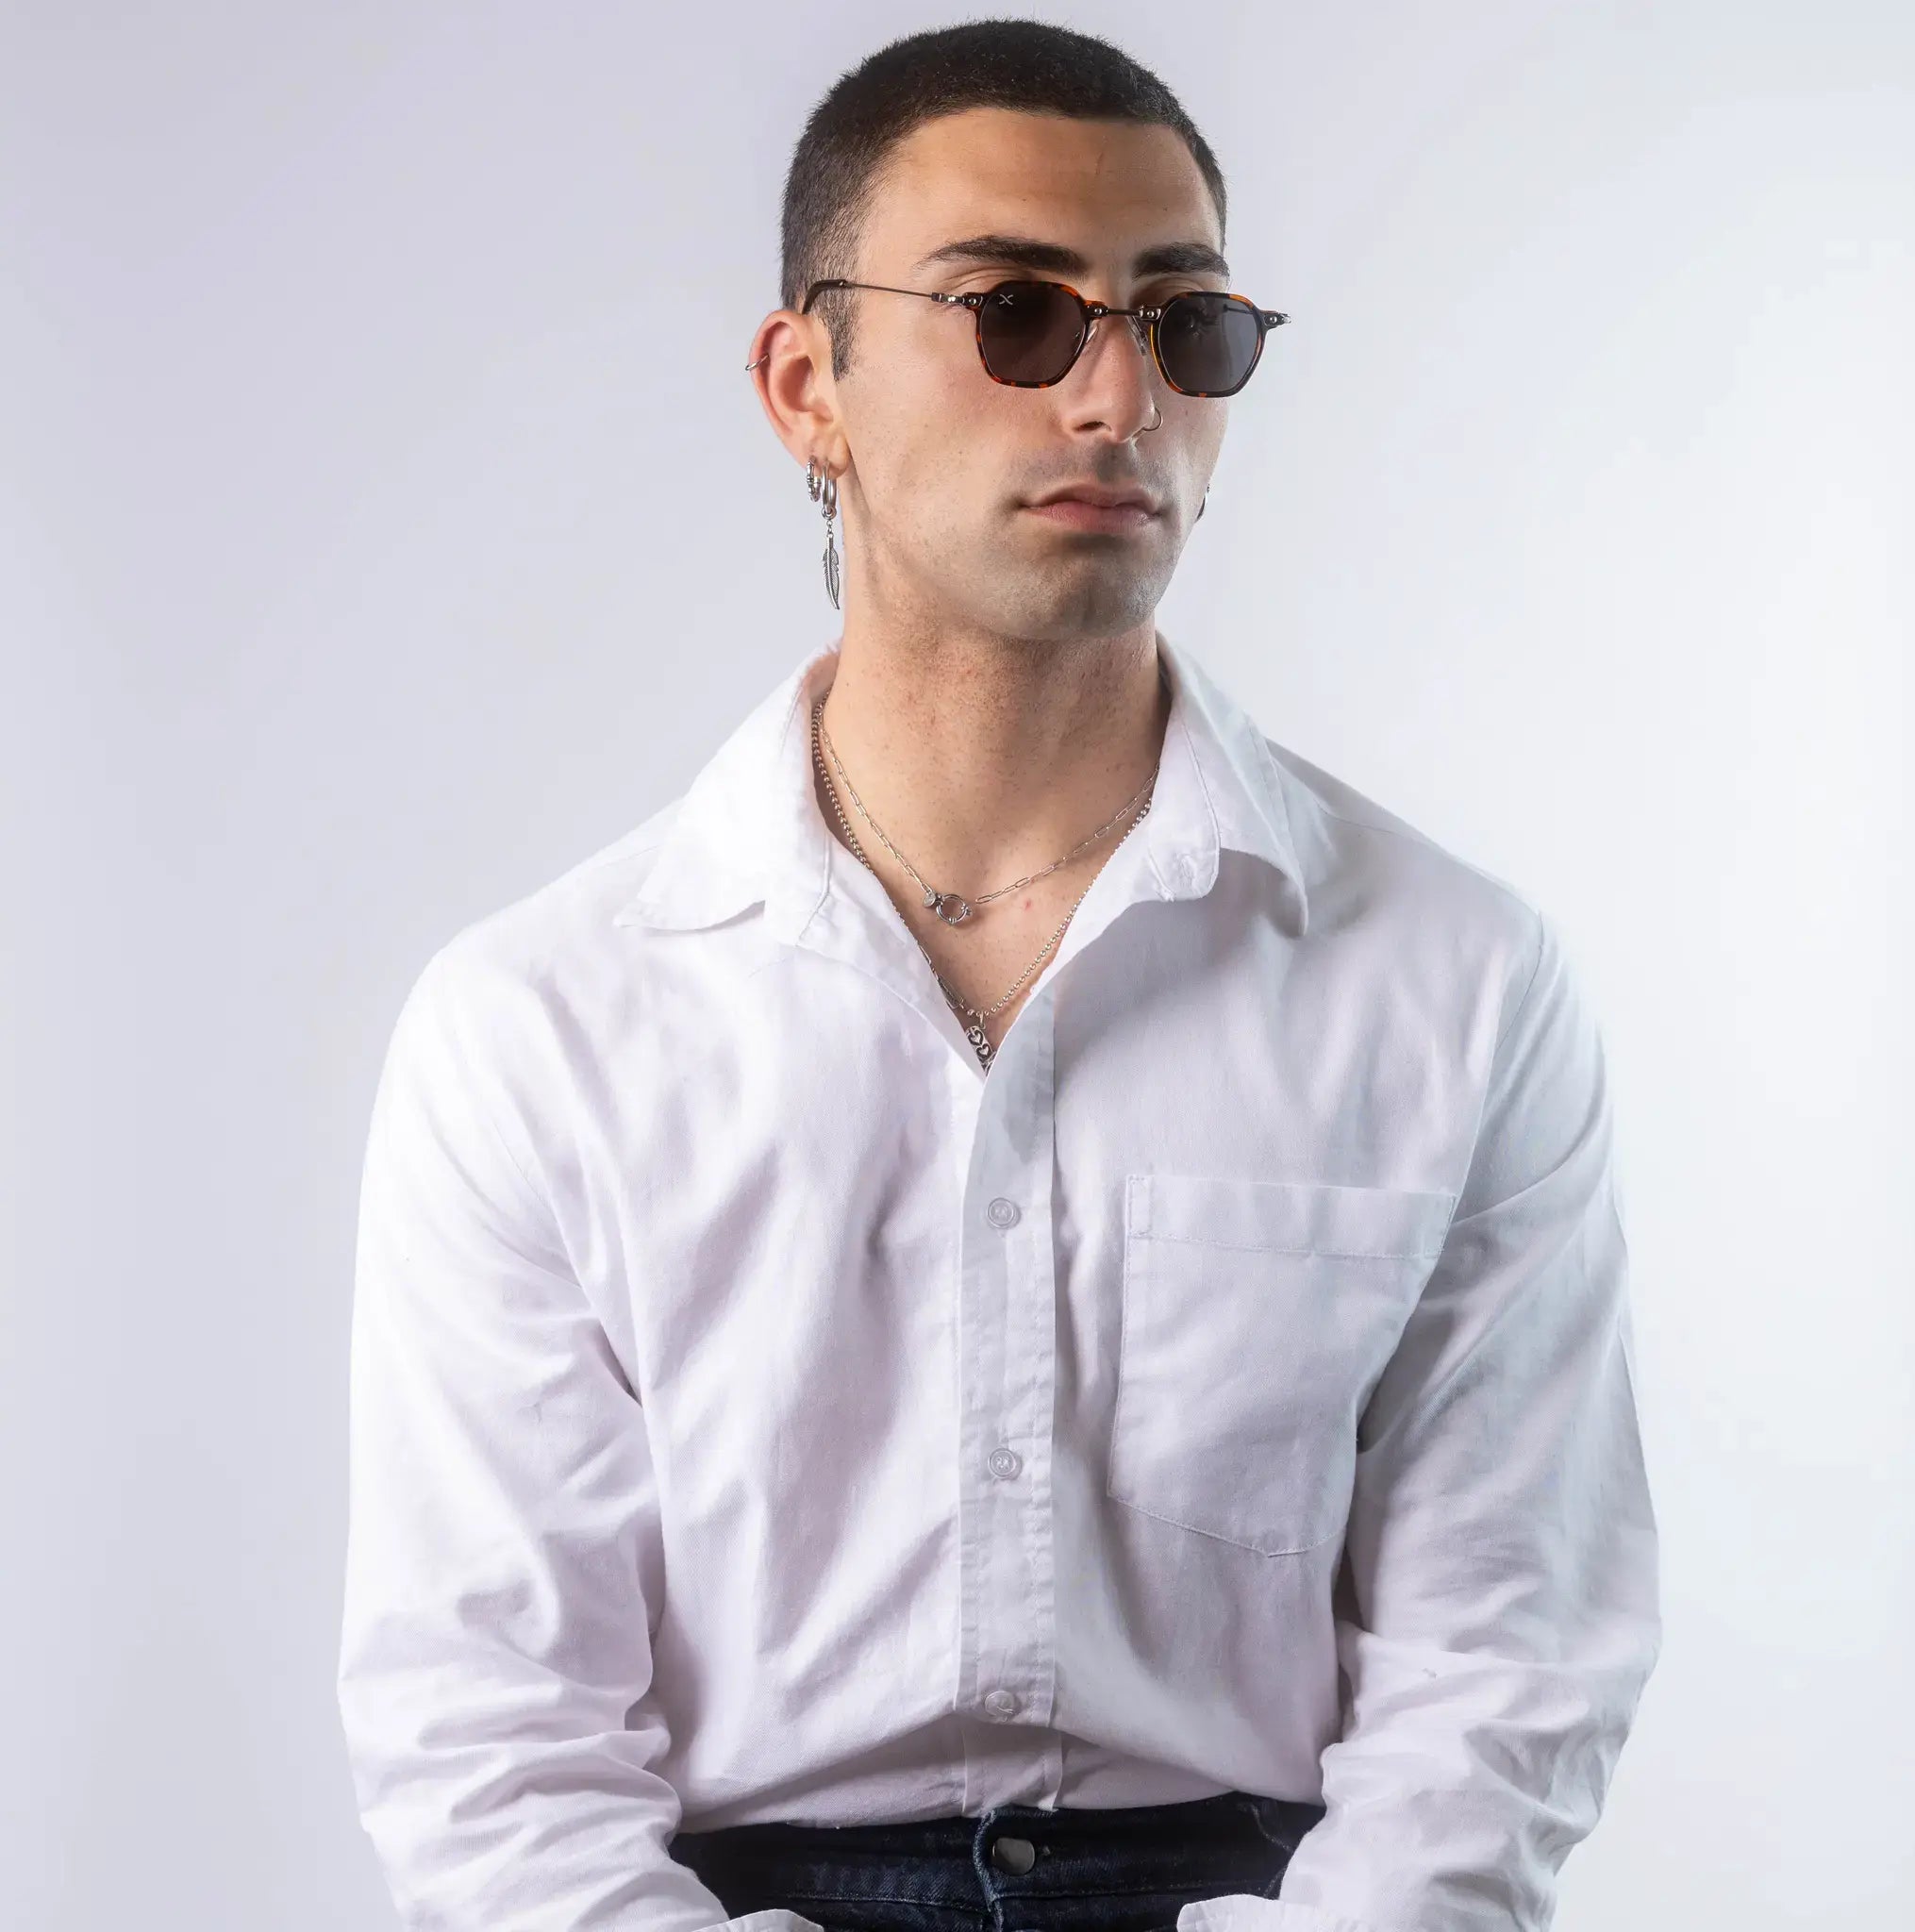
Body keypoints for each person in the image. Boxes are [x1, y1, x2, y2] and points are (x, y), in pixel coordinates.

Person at [336, 19, 1661, 1932]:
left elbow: (1504, 1672)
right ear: (810, 383)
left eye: (1184, 320)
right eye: (1017, 314)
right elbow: (487, 1735)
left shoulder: (1449, 981)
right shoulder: (536, 1029)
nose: (1116, 394)